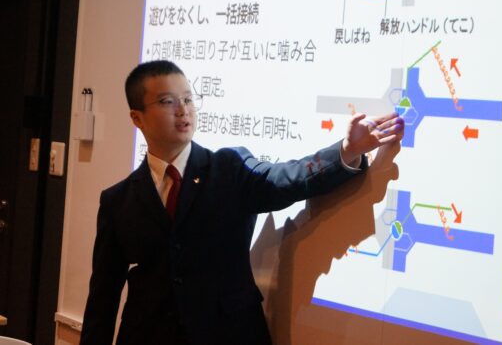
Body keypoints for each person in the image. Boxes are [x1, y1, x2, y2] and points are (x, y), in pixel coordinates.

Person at [80, 60, 404, 345]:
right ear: (137, 118)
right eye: (167, 101)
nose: (183, 110)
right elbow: (102, 299)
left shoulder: (229, 168)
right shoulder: (118, 200)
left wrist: (346, 150)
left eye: (188, 99)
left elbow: (284, 179)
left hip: (228, 333)